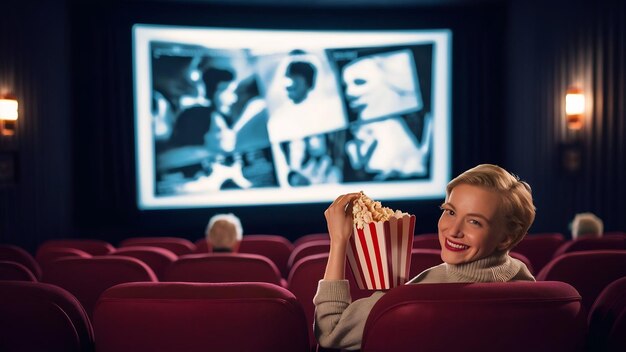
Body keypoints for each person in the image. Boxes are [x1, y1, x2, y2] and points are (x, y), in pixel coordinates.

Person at [314, 164, 536, 350]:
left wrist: (339, 240)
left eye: (474, 221)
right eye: (450, 211)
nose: (453, 230)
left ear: (507, 238)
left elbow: (330, 333)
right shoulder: (527, 283)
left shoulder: (419, 295)